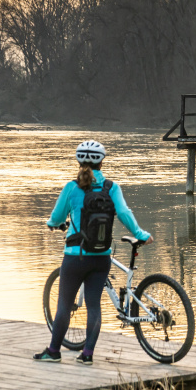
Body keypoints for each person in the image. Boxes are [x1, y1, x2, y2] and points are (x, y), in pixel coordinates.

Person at [33, 140, 153, 365]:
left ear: (78, 161)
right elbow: (125, 214)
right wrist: (141, 233)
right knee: (94, 306)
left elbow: (57, 218)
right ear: (102, 161)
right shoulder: (111, 187)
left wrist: (51, 223)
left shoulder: (71, 188)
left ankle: (54, 351)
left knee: (64, 306)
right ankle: (87, 354)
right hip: (101, 257)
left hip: (75, 257)